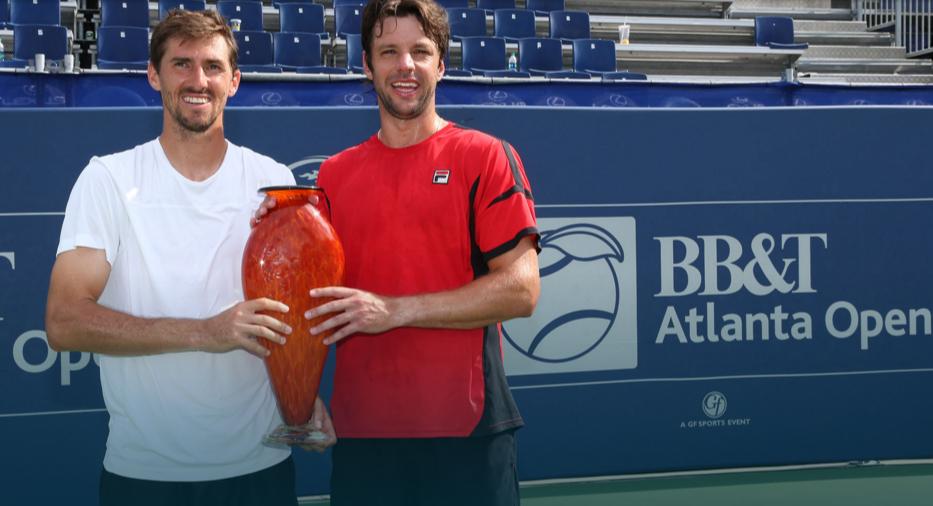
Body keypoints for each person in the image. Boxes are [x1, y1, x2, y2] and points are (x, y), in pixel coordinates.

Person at [44, 10, 334, 506]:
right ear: (154, 75)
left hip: (260, 468)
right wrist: (206, 332)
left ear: (234, 81)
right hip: (145, 474)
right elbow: (64, 322)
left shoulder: (272, 180)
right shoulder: (108, 180)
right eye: (181, 64)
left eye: (213, 66)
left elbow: (287, 318)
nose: (198, 80)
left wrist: (302, 397)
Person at [258, 1, 540, 504]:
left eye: (420, 52)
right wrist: (301, 396)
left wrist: (395, 310)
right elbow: (308, 302)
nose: (405, 66)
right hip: (363, 439)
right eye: (389, 51)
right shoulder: (334, 176)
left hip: (466, 433)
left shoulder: (485, 156)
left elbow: (521, 291)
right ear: (367, 65)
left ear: (441, 64)